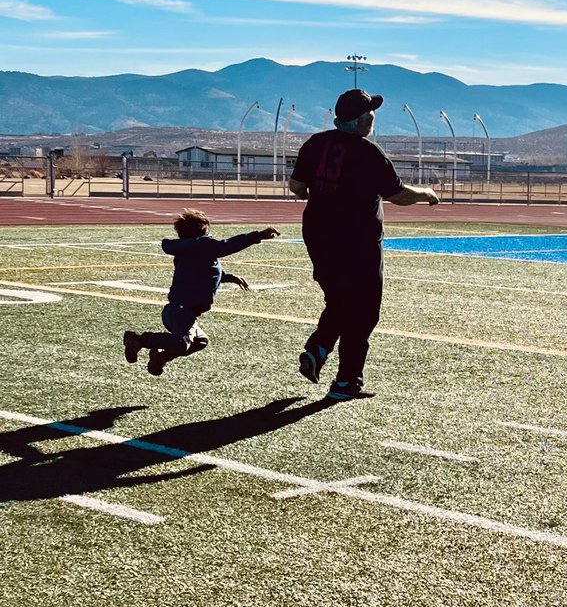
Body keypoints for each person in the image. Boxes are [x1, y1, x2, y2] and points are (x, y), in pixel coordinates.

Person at [289, 88, 439, 401]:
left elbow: (297, 186)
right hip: (357, 241)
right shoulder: (369, 152)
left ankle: (318, 349)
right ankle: (345, 381)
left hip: (318, 235)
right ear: (360, 119)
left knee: (340, 300)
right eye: (370, 112)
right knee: (364, 310)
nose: (373, 117)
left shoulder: (315, 143)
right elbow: (397, 195)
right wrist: (425, 193)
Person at [123, 208, 279, 375]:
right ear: (203, 230)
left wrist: (228, 277)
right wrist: (258, 235)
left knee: (200, 341)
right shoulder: (203, 245)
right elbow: (230, 245)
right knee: (181, 344)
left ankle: (161, 356)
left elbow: (201, 273)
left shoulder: (190, 249)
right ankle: (139, 339)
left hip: (177, 311)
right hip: (182, 310)